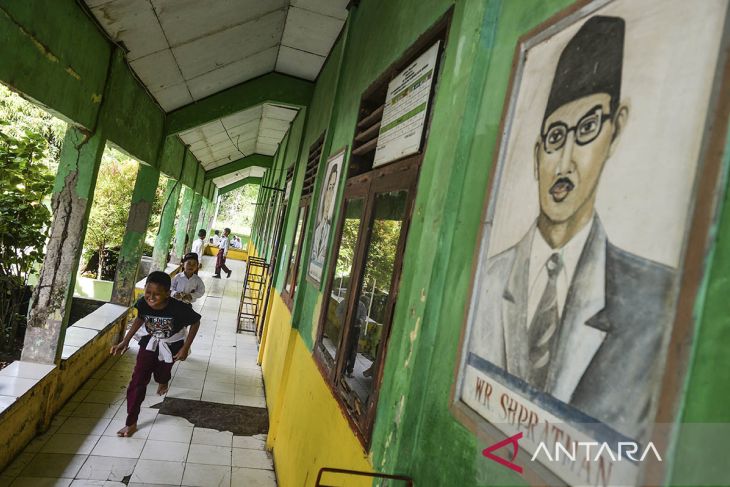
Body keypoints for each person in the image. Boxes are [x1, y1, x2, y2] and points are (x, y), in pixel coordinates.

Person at [468, 16, 675, 438]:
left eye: (586, 130)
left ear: (615, 131)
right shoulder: (487, 280)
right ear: (536, 153)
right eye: (555, 136)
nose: (563, 163)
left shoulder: (653, 301)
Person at [110, 271, 201, 437]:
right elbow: (140, 319)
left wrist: (185, 348)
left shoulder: (179, 308)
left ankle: (163, 380)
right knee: (138, 380)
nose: (150, 297)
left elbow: (195, 322)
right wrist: (125, 341)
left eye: (156, 294)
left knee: (162, 373)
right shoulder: (143, 304)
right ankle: (131, 422)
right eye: (148, 293)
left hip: (172, 346)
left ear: (167, 293)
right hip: (150, 343)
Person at [311, 165, 338, 269]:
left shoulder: (331, 228)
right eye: (329, 187)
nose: (330, 194)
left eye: (333, 188)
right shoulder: (317, 228)